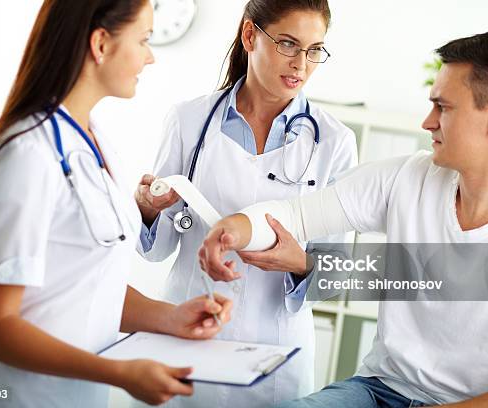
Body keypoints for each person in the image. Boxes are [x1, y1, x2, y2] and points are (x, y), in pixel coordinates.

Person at [198, 31, 488, 407]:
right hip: (377, 390)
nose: (427, 122)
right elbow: (293, 215)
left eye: (443, 107)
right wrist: (234, 230)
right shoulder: (408, 177)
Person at [0, 1, 232, 407]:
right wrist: (118, 372)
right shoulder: (26, 153)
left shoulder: (95, 142)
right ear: (101, 43)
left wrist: (170, 318)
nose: (150, 57)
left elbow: (86, 286)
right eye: (143, 39)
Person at [133, 0, 357, 406]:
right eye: (288, 44)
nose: (301, 64)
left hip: (274, 349)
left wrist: (299, 262)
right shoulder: (188, 120)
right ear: (250, 35)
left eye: (314, 50)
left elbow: (337, 272)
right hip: (189, 328)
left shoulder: (335, 143)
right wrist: (149, 209)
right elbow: (157, 248)